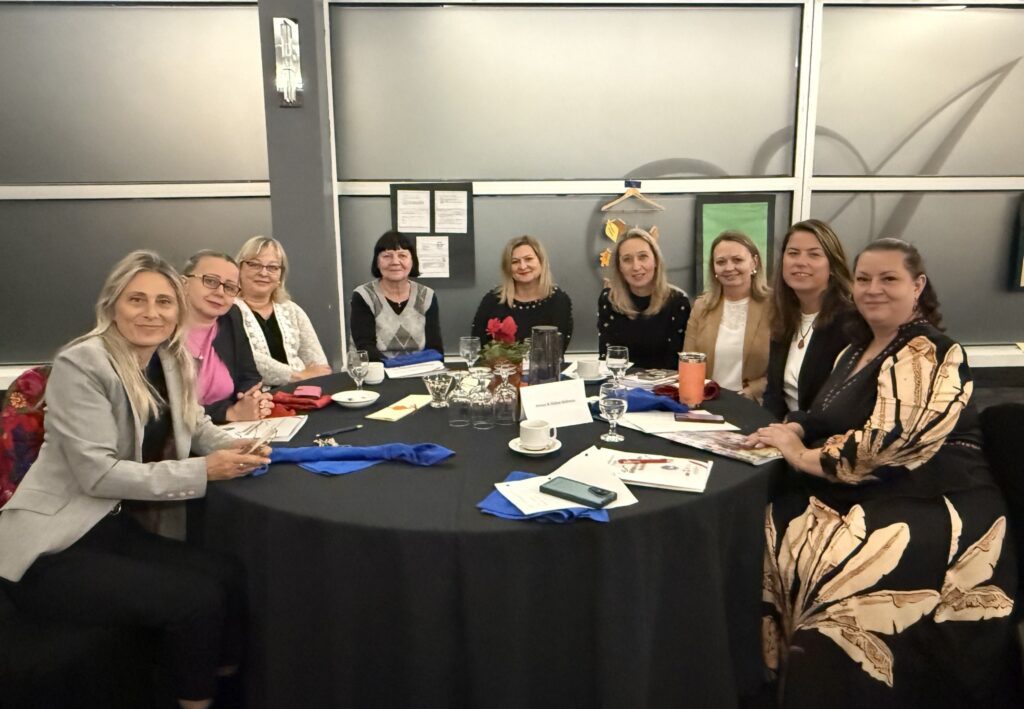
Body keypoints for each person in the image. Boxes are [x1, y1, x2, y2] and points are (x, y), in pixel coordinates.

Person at [750, 239, 1021, 709]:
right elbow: (824, 413)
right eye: (864, 279)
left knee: (831, 566)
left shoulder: (930, 350)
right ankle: (782, 684)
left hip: (939, 497)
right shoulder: (856, 347)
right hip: (873, 485)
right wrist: (793, 427)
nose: (873, 289)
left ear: (917, 286)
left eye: (888, 278)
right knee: (773, 526)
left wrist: (797, 454)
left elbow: (886, 447)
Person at [0, 250, 270, 709]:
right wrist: (204, 470)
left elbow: (195, 425)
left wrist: (240, 447)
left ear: (177, 310)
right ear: (112, 305)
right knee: (198, 599)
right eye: (136, 299)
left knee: (229, 574)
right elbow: (98, 474)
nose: (151, 313)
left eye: (164, 302)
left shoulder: (171, 358)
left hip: (108, 526)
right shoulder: (82, 364)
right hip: (52, 546)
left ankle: (223, 692)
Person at [763, 220, 855, 419]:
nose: (800, 262)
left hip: (822, 434)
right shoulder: (783, 316)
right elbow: (773, 394)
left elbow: (840, 407)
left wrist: (793, 430)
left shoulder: (850, 323)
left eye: (814, 255)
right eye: (793, 253)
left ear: (833, 266)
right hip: (781, 430)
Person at [182, 250, 272, 424]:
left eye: (230, 287)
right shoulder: (159, 327)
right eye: (210, 281)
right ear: (183, 283)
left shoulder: (231, 316)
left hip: (231, 429)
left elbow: (249, 377)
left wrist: (252, 400)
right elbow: (160, 412)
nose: (220, 292)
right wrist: (229, 413)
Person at [682, 230, 770, 401]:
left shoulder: (774, 306)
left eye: (737, 260)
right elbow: (689, 361)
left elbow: (781, 368)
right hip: (708, 403)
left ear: (754, 262)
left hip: (755, 404)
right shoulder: (701, 307)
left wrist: (751, 392)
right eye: (721, 262)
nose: (729, 268)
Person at [235, 235, 331, 386]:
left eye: (272, 267)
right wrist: (297, 376)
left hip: (301, 393)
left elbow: (319, 366)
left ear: (280, 275)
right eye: (254, 265)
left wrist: (307, 378)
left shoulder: (293, 310)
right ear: (239, 269)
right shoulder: (227, 310)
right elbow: (244, 358)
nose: (263, 273)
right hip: (254, 397)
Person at [597, 227, 690, 370]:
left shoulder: (678, 301)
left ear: (656, 261)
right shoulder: (609, 299)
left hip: (665, 382)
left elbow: (680, 362)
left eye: (643, 257)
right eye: (627, 259)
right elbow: (607, 360)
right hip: (621, 382)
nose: (636, 266)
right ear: (619, 267)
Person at [350, 231, 444, 362]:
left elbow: (435, 349)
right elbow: (365, 348)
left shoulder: (426, 295)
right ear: (377, 262)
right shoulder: (364, 295)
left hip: (419, 368)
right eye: (387, 256)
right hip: (376, 369)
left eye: (402, 255)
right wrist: (394, 366)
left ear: (412, 261)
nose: (395, 262)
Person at [471, 235, 573, 351]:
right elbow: (478, 348)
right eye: (515, 262)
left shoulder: (559, 301)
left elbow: (557, 350)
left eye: (528, 259)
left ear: (541, 261)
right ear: (507, 267)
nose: (523, 266)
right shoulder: (492, 300)